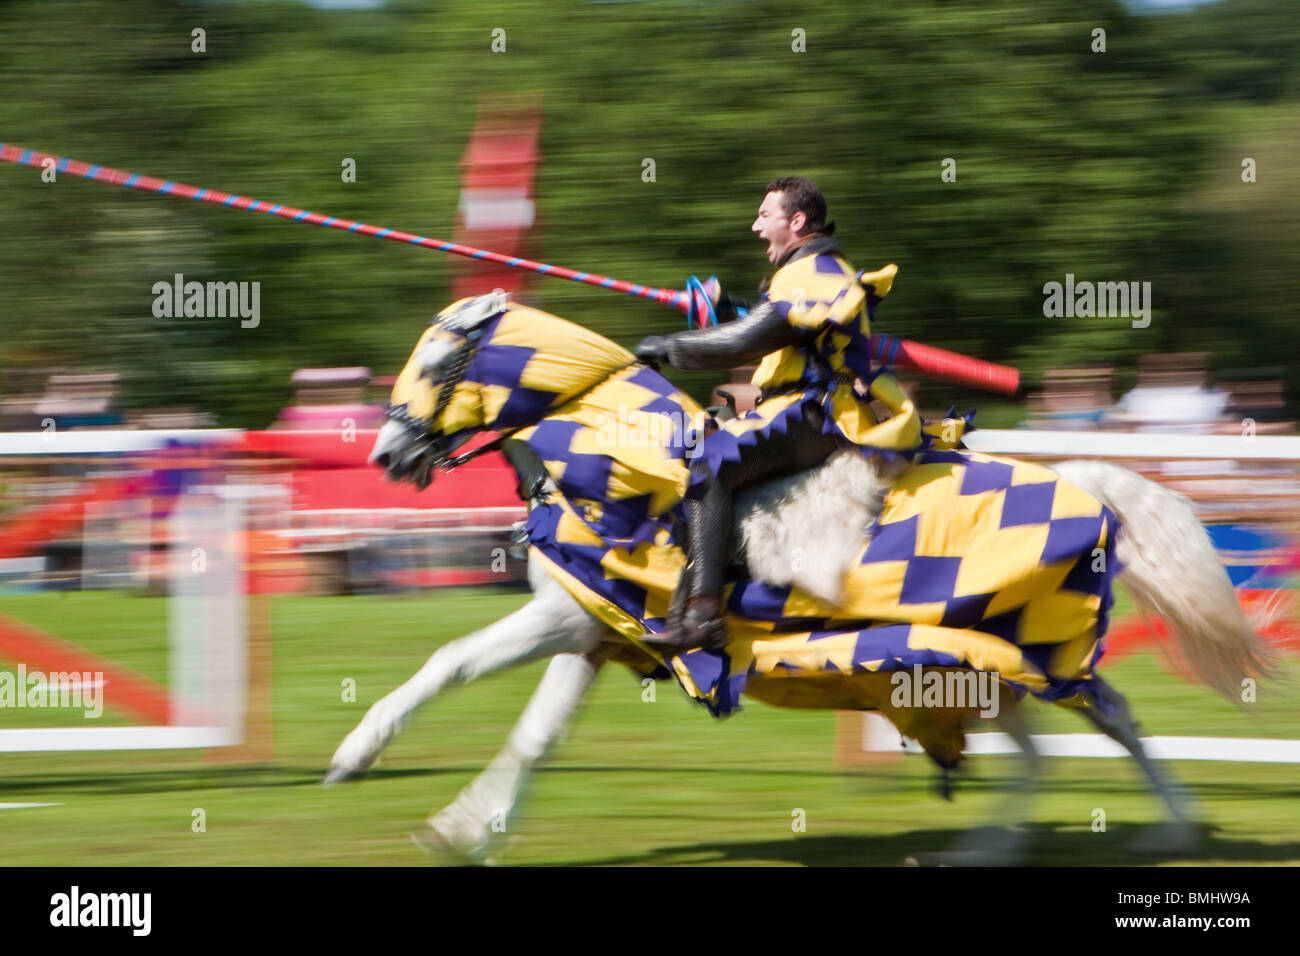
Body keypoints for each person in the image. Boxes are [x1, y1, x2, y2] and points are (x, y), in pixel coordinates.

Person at [635, 177, 933, 653]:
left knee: (709, 466)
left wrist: (666, 347)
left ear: (796, 222)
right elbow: (768, 320)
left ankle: (704, 616)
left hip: (818, 413)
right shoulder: (806, 273)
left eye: (764, 216)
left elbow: (743, 341)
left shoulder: (818, 273)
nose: (756, 227)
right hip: (792, 406)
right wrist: (723, 306)